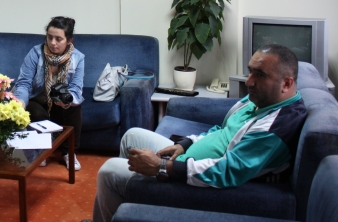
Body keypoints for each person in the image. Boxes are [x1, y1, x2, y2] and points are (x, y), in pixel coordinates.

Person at [89, 44, 307, 222]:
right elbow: (222, 130)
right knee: (132, 136)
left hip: (197, 178)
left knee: (110, 171)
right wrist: (185, 144)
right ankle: (128, 205)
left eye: (259, 75)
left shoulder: (276, 127)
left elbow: (228, 171)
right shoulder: (260, 101)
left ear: (286, 83)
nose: (249, 81)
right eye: (250, 72)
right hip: (187, 159)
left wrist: (162, 167)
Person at [13, 17, 84, 170]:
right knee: (33, 110)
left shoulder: (78, 58)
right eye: (49, 37)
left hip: (59, 101)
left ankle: (69, 153)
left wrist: (66, 101)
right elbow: (24, 83)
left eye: (58, 39)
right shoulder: (35, 53)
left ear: (69, 40)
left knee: (74, 107)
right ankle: (41, 150)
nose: (52, 43)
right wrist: (20, 102)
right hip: (37, 98)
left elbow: (76, 89)